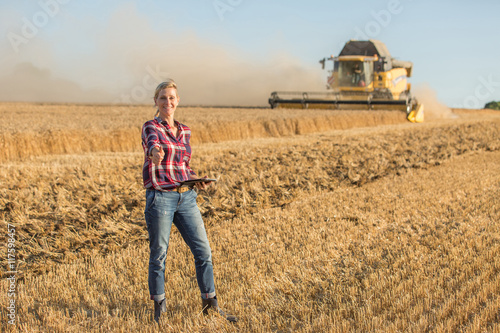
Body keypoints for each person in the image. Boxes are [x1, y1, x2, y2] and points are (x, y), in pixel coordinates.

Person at [141, 79, 237, 324]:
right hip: (160, 198)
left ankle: (210, 304)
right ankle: (159, 310)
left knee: (203, 250)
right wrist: (155, 154)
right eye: (163, 98)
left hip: (186, 197)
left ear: (178, 101)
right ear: (156, 101)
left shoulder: (185, 130)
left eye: (172, 97)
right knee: (159, 254)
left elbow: (183, 166)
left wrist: (196, 180)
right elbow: (152, 145)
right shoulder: (151, 126)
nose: (168, 102)